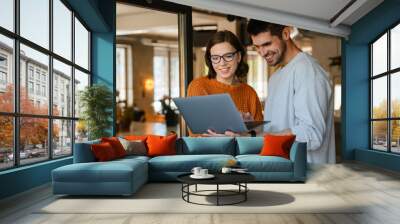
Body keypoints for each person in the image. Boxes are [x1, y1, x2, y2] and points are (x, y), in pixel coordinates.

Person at [247, 19, 335, 164]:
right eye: (257, 46)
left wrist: (262, 136)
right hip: (281, 171)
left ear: (286, 33)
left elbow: (312, 135)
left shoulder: (307, 71)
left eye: (267, 44)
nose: (262, 52)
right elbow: (275, 129)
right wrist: (253, 130)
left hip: (308, 176)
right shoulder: (275, 77)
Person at [187, 30, 263, 136]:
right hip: (208, 152)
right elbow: (197, 134)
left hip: (243, 152)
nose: (222, 63)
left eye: (228, 56)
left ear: (239, 57)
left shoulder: (250, 93)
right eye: (215, 58)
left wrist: (245, 135)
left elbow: (259, 135)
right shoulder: (198, 86)